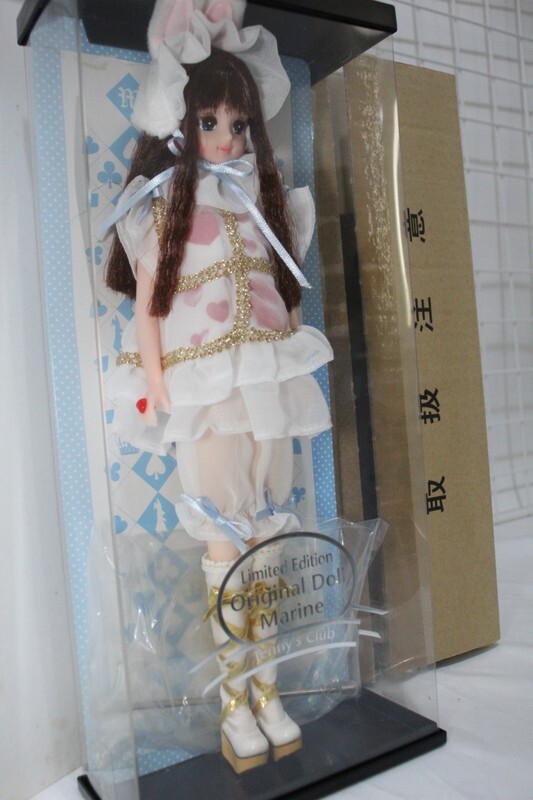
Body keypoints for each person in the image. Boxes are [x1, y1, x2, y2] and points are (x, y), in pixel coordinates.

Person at [104, 1, 332, 773]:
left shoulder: (257, 202)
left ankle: (269, 692)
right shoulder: (165, 206)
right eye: (209, 123)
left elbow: (285, 290)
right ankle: (237, 704)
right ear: (182, 123)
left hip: (266, 388)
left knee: (265, 537)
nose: (227, 138)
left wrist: (291, 347)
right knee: (223, 540)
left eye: (237, 124)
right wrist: (157, 382)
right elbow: (149, 307)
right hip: (206, 396)